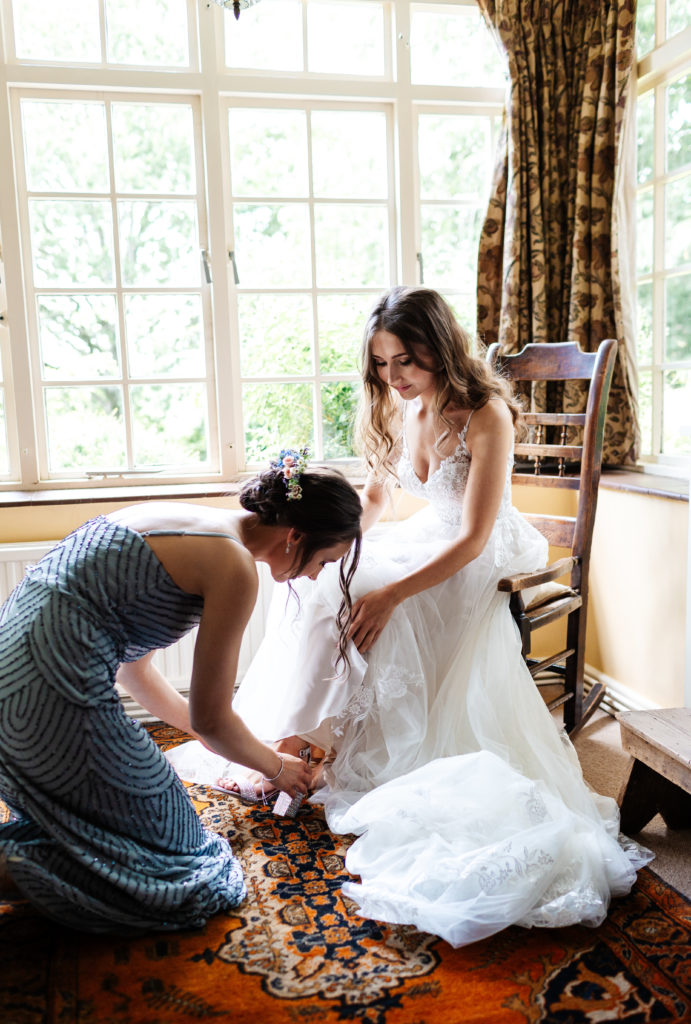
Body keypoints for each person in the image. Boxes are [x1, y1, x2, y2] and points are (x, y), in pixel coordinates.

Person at [167, 288, 652, 948]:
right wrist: (342, 544)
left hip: (478, 549)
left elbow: (476, 537)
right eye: (382, 365)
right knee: (329, 581)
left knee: (382, 599)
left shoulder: (484, 416)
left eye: (406, 360)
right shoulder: (398, 408)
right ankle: (303, 739)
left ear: (438, 347)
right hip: (428, 534)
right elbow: (373, 501)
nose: (394, 377)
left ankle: (361, 752)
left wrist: (391, 592)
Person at [0, 458, 362, 932]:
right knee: (187, 868)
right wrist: (277, 767)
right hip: (49, 698)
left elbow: (134, 672)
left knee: (122, 830)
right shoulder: (233, 565)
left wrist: (221, 739)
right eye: (324, 560)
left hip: (13, 684)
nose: (315, 575)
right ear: (295, 535)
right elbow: (213, 718)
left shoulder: (186, 517)